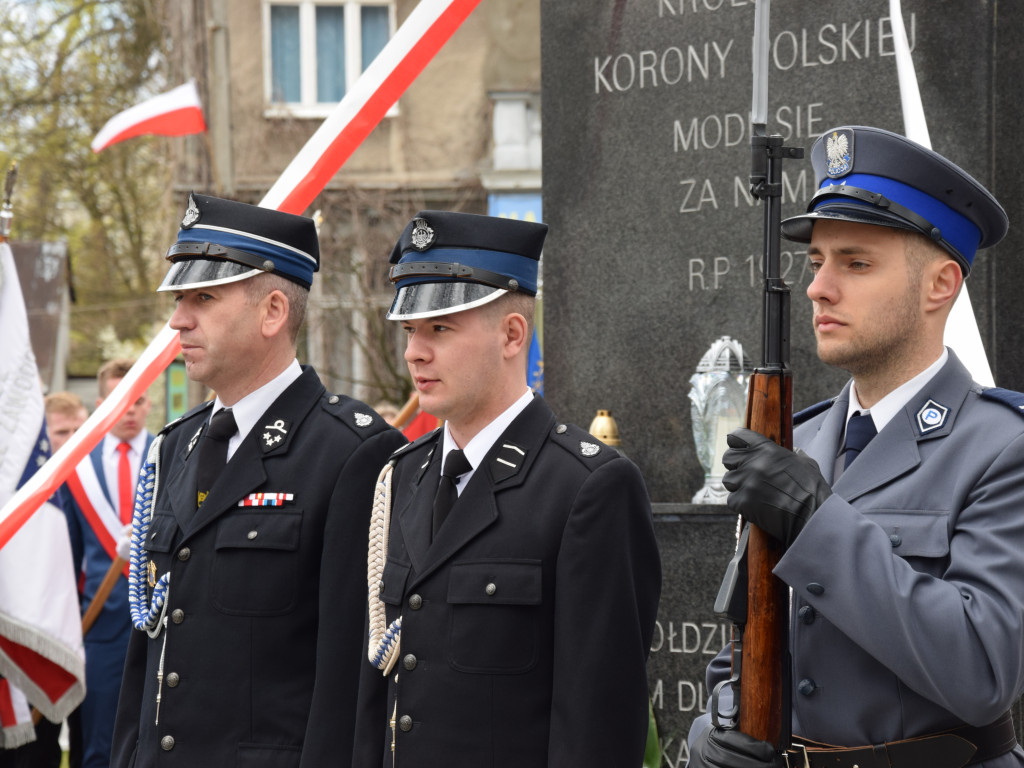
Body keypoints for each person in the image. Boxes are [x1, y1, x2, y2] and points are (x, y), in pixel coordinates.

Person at [688, 126, 1024, 768]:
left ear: (940, 286)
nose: (819, 288)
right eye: (817, 262)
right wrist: (714, 734)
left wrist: (818, 524)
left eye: (856, 262)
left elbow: (983, 671)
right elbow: (746, 641)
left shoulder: (1002, 449)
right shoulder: (802, 441)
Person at [352, 211, 662, 767]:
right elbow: (378, 694)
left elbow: (597, 725)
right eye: (409, 331)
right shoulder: (401, 478)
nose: (414, 352)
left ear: (513, 335)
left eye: (440, 328)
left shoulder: (586, 488)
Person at [109, 193, 405, 768]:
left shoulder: (354, 453)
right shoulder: (176, 445)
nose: (178, 319)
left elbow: (350, 683)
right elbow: (148, 654)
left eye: (202, 298)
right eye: (179, 299)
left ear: (272, 312)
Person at [60, 359, 153, 768]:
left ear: (149, 404)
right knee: (99, 742)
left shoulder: (171, 454)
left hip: (162, 619)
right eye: (119, 400)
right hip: (99, 627)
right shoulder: (76, 468)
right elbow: (69, 556)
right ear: (101, 403)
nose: (129, 409)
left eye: (138, 400)